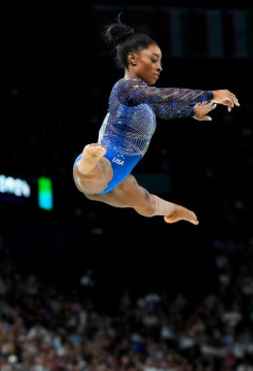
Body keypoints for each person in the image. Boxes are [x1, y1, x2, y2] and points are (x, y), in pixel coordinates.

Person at [73, 19, 239, 225]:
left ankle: (176, 210)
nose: (159, 67)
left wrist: (192, 112)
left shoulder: (144, 99)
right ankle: (89, 158)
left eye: (160, 61)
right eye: (153, 60)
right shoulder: (125, 88)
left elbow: (165, 108)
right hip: (100, 164)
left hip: (119, 173)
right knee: (94, 179)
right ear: (132, 59)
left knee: (145, 203)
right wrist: (211, 94)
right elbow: (164, 95)